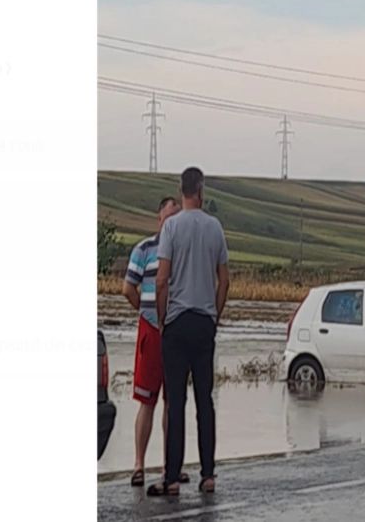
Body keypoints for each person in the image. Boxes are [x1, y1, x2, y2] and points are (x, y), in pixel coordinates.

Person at [148, 167, 229, 497]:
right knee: (205, 400)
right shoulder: (215, 227)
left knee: (175, 402)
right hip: (203, 322)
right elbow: (224, 280)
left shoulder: (171, 227)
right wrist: (215, 316)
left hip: (177, 322)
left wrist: (162, 318)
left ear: (181, 191)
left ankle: (170, 477)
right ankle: (208, 473)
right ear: (201, 190)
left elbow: (161, 279)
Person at [122, 196, 189, 487]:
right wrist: (145, 310)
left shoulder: (184, 252)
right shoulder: (144, 249)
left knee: (173, 403)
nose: (171, 223)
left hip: (176, 330)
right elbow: (128, 288)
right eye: (168, 218)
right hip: (151, 329)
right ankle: (138, 464)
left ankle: (169, 466)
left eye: (177, 217)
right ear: (159, 219)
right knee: (146, 400)